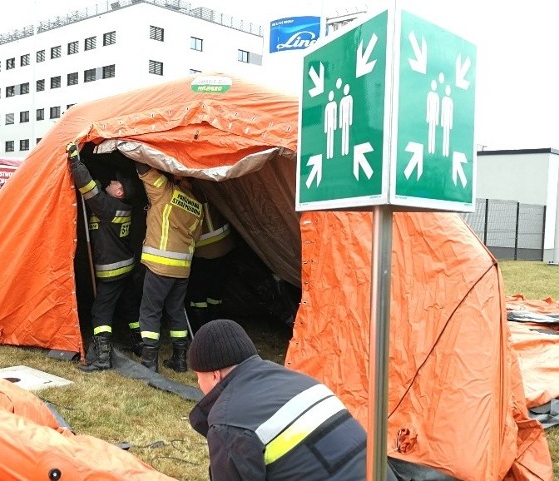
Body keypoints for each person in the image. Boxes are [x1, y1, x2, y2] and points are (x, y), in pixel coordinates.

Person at [188, 319, 397, 480]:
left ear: (215, 375)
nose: (198, 384)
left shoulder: (228, 420)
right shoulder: (297, 380)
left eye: (198, 376)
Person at [67, 142, 142, 371]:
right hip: (126, 267)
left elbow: (88, 189)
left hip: (111, 270)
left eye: (115, 182)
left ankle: (102, 358)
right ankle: (140, 343)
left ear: (119, 192)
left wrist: (76, 162)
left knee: (101, 312)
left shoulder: (108, 207)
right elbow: (98, 191)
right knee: (130, 307)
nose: (110, 182)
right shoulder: (124, 207)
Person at [135, 162, 202, 372]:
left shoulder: (165, 191)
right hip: (182, 269)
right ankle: (180, 360)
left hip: (159, 267)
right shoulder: (197, 206)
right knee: (176, 311)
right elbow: (196, 237)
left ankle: (149, 363)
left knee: (150, 312)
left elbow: (143, 169)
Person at [186, 193, 236, 332]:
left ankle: (202, 331)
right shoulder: (211, 188)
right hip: (225, 247)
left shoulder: (188, 194)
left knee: (199, 296)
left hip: (203, 252)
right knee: (215, 293)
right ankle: (215, 326)